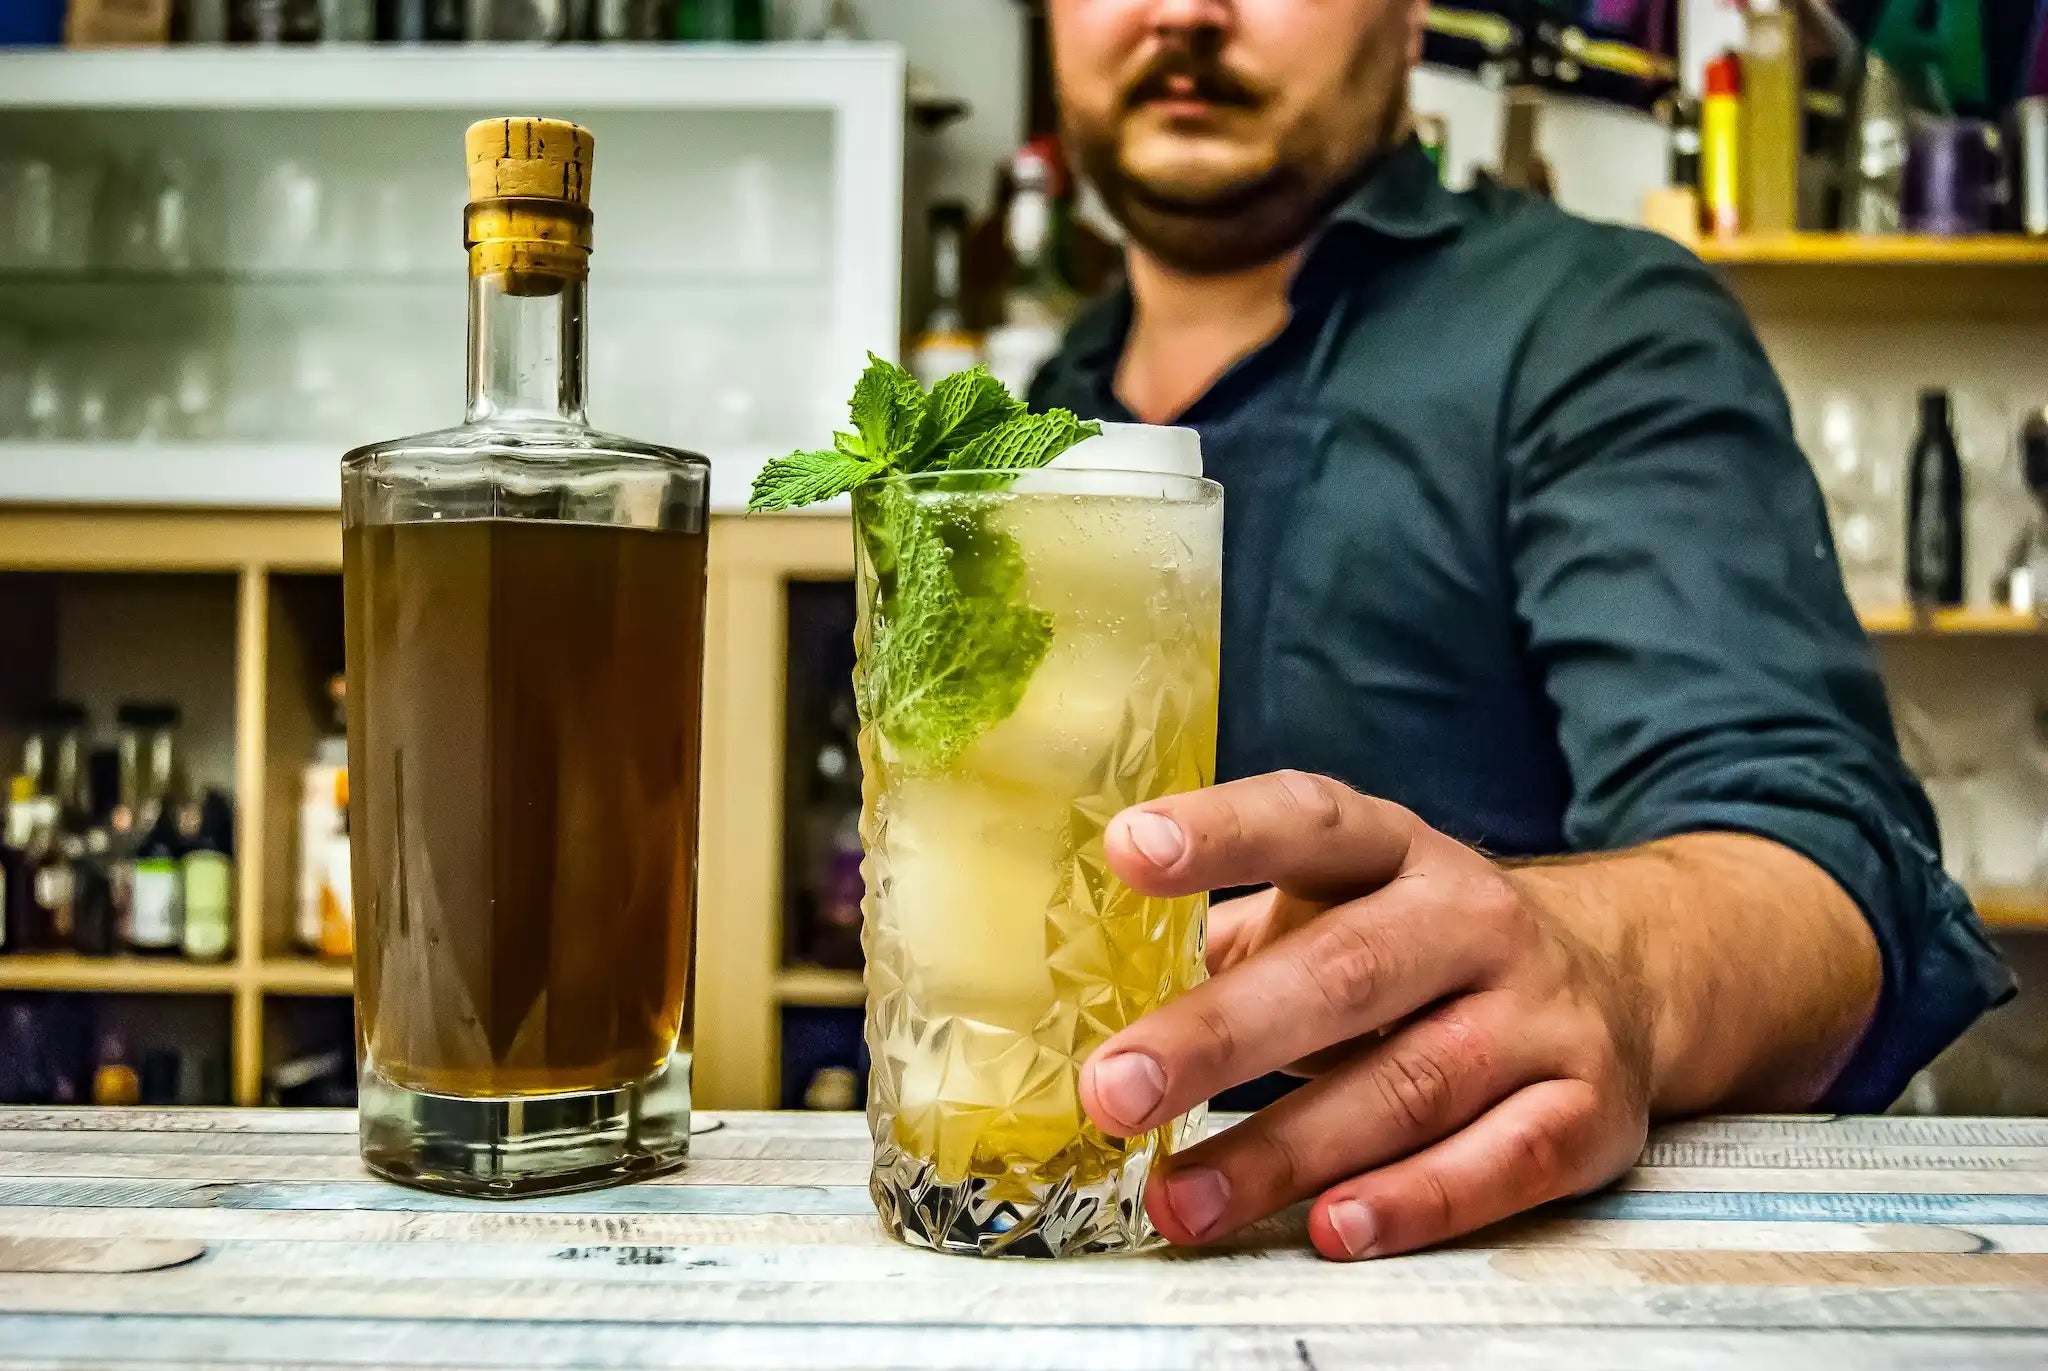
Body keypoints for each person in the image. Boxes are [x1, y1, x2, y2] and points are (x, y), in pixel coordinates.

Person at [1029, 0, 2014, 1262]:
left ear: (1407, 20)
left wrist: (1598, 959)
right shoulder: (1035, 412)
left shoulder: (1593, 319)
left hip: (1485, 1281)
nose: (1183, 12)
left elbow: (1822, 870)